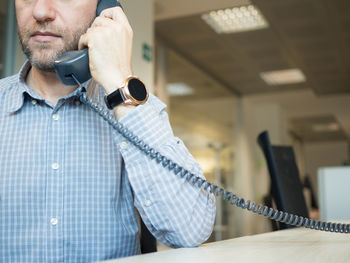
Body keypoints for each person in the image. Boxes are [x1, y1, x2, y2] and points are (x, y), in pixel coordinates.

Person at [0, 0, 216, 262]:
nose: (41, 11)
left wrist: (119, 83)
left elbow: (190, 230)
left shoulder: (136, 111)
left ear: (105, 10)